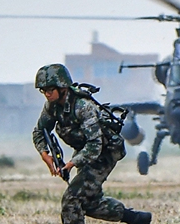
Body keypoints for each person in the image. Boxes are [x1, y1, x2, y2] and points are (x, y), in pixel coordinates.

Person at [32, 64, 152, 224]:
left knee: (72, 200)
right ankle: (135, 218)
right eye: (43, 90)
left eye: (50, 90)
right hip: (85, 152)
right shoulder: (52, 107)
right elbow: (40, 131)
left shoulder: (83, 107)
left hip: (104, 152)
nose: (47, 94)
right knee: (88, 202)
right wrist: (44, 154)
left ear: (62, 87)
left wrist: (71, 164)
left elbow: (95, 145)